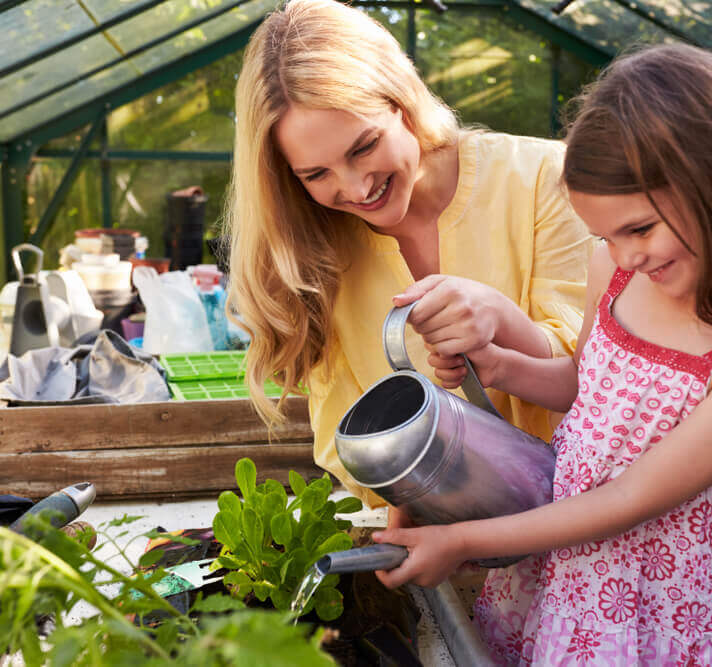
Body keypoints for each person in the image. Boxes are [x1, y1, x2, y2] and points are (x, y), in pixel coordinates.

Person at [370, 43, 712, 664]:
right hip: (569, 565)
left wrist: (460, 540)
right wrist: (501, 365)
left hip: (666, 597)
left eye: (639, 229)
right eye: (606, 236)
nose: (623, 256)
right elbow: (583, 384)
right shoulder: (617, 275)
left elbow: (626, 501)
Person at [224, 0, 594, 511]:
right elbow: (340, 435)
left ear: (401, 102)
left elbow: (601, 375)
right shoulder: (313, 255)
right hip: (435, 535)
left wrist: (499, 320)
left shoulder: (542, 178)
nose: (355, 188)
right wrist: (429, 505)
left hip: (587, 521)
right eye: (316, 175)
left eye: (363, 146)